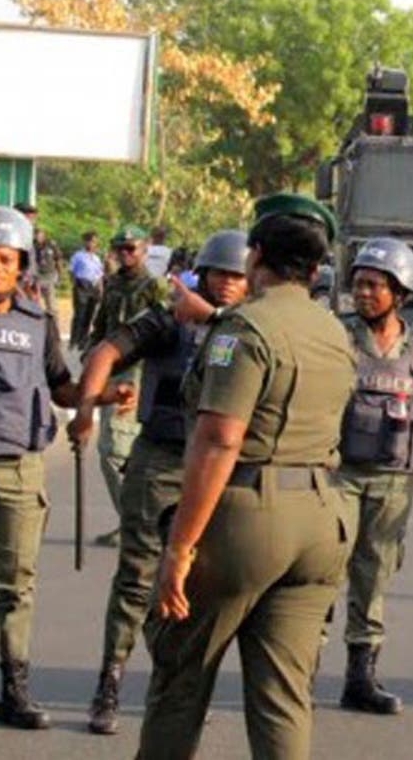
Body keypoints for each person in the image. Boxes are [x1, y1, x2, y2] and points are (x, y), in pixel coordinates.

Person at [138, 194, 356, 759]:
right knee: (282, 695)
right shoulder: (334, 331)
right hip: (322, 519)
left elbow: (220, 438)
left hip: (247, 519)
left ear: (256, 256)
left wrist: (180, 549)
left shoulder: (244, 330)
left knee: (179, 677)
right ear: (314, 270)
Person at [68, 230, 249, 735]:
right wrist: (87, 407)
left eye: (238, 276)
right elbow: (105, 353)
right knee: (136, 578)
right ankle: (110, 682)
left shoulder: (248, 330)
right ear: (204, 274)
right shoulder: (171, 320)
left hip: (214, 471)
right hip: (161, 460)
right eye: (220, 274)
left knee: (198, 583)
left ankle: (178, 687)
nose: (229, 284)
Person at [0, 206, 132, 730]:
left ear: (21, 265)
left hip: (21, 468)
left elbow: (61, 386)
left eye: (4, 259)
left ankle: (13, 691)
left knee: (15, 585)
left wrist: (101, 397)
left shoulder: (38, 322)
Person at [336, 238, 413, 714]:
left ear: (400, 292)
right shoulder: (337, 336)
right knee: (322, 572)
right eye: (359, 284)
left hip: (394, 481)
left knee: (374, 576)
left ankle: (360, 677)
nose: (363, 293)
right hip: (338, 474)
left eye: (375, 285)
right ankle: (298, 670)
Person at [87, 225, 167, 546]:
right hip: (112, 369)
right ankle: (131, 522)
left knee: (113, 451)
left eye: (131, 249)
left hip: (137, 373)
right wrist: (92, 353)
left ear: (144, 250)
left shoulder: (155, 287)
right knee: (120, 453)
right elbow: (103, 323)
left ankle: (135, 525)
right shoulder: (112, 283)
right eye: (119, 249)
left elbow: (165, 330)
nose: (125, 254)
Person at [69, 230, 104, 350]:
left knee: (89, 315)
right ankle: (74, 340)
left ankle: (83, 341)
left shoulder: (97, 258)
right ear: (85, 242)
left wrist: (100, 290)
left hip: (93, 288)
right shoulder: (78, 255)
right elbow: (72, 271)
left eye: (94, 242)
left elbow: (99, 276)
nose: (92, 244)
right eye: (90, 241)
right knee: (80, 314)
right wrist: (75, 285)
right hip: (81, 285)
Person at [31, 228, 63, 317]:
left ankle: (53, 322)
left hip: (49, 275)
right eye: (36, 235)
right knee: (35, 302)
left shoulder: (51, 244)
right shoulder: (31, 245)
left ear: (44, 235)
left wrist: (60, 275)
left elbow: (58, 259)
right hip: (36, 277)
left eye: (40, 235)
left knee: (51, 303)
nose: (38, 237)